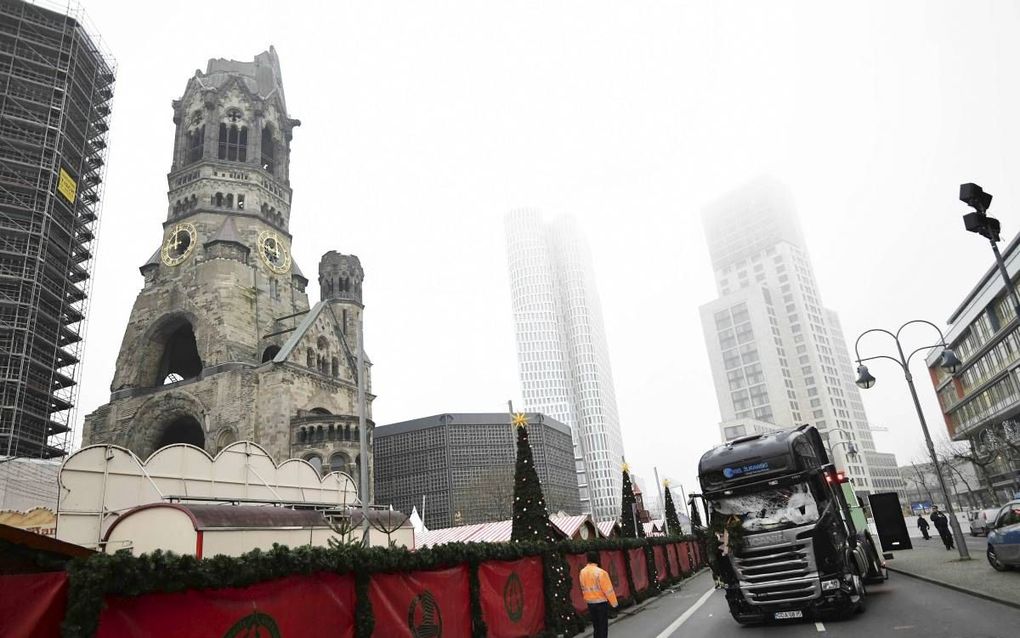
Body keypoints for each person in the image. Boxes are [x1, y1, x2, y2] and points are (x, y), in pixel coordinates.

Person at [580, 551, 618, 638]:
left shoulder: (582, 572)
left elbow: (583, 587)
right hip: (601, 603)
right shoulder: (601, 573)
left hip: (590, 603)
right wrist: (614, 604)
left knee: (596, 626)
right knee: (602, 626)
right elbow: (608, 590)